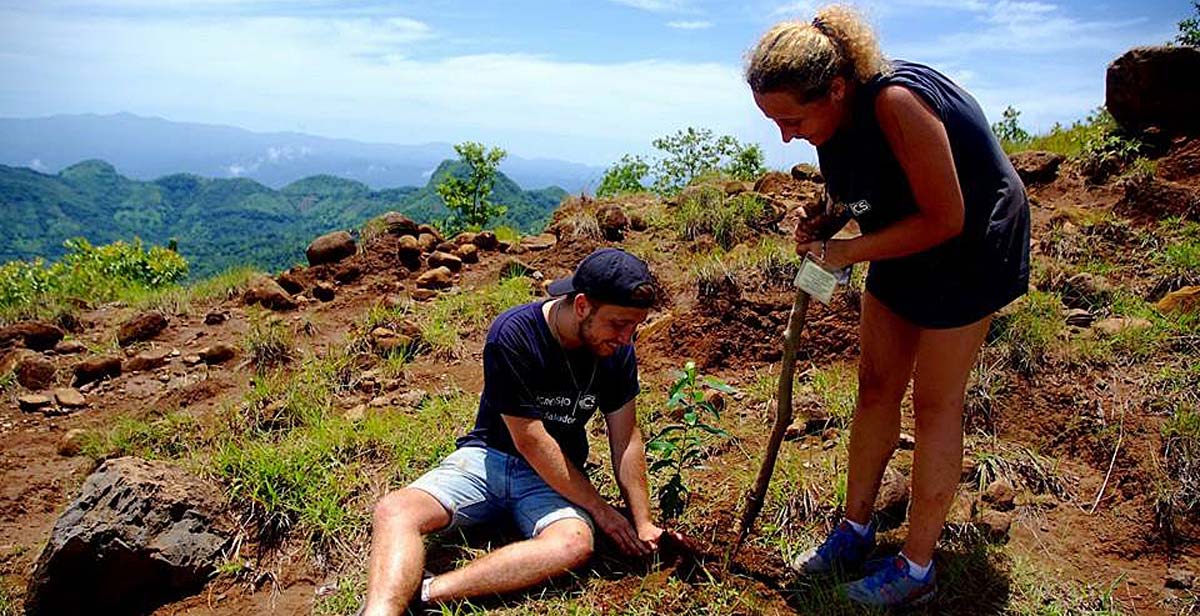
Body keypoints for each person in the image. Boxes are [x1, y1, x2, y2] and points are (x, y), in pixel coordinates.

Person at [744, 4, 1031, 608]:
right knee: (875, 384)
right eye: (773, 121)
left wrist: (848, 253)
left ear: (838, 89)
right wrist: (829, 220)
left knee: (934, 400)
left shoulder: (898, 103)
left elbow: (947, 217)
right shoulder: (834, 124)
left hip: (971, 244)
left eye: (792, 118)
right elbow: (868, 193)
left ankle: (917, 565)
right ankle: (855, 528)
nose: (785, 135)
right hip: (906, 236)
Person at [362, 248, 671, 615]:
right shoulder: (514, 333)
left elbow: (626, 439)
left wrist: (643, 521)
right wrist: (601, 510)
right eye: (619, 324)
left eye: (634, 326)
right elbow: (531, 440)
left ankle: (428, 593)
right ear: (583, 305)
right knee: (397, 509)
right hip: (487, 457)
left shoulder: (617, 352)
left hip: (555, 478)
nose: (626, 337)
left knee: (572, 544)